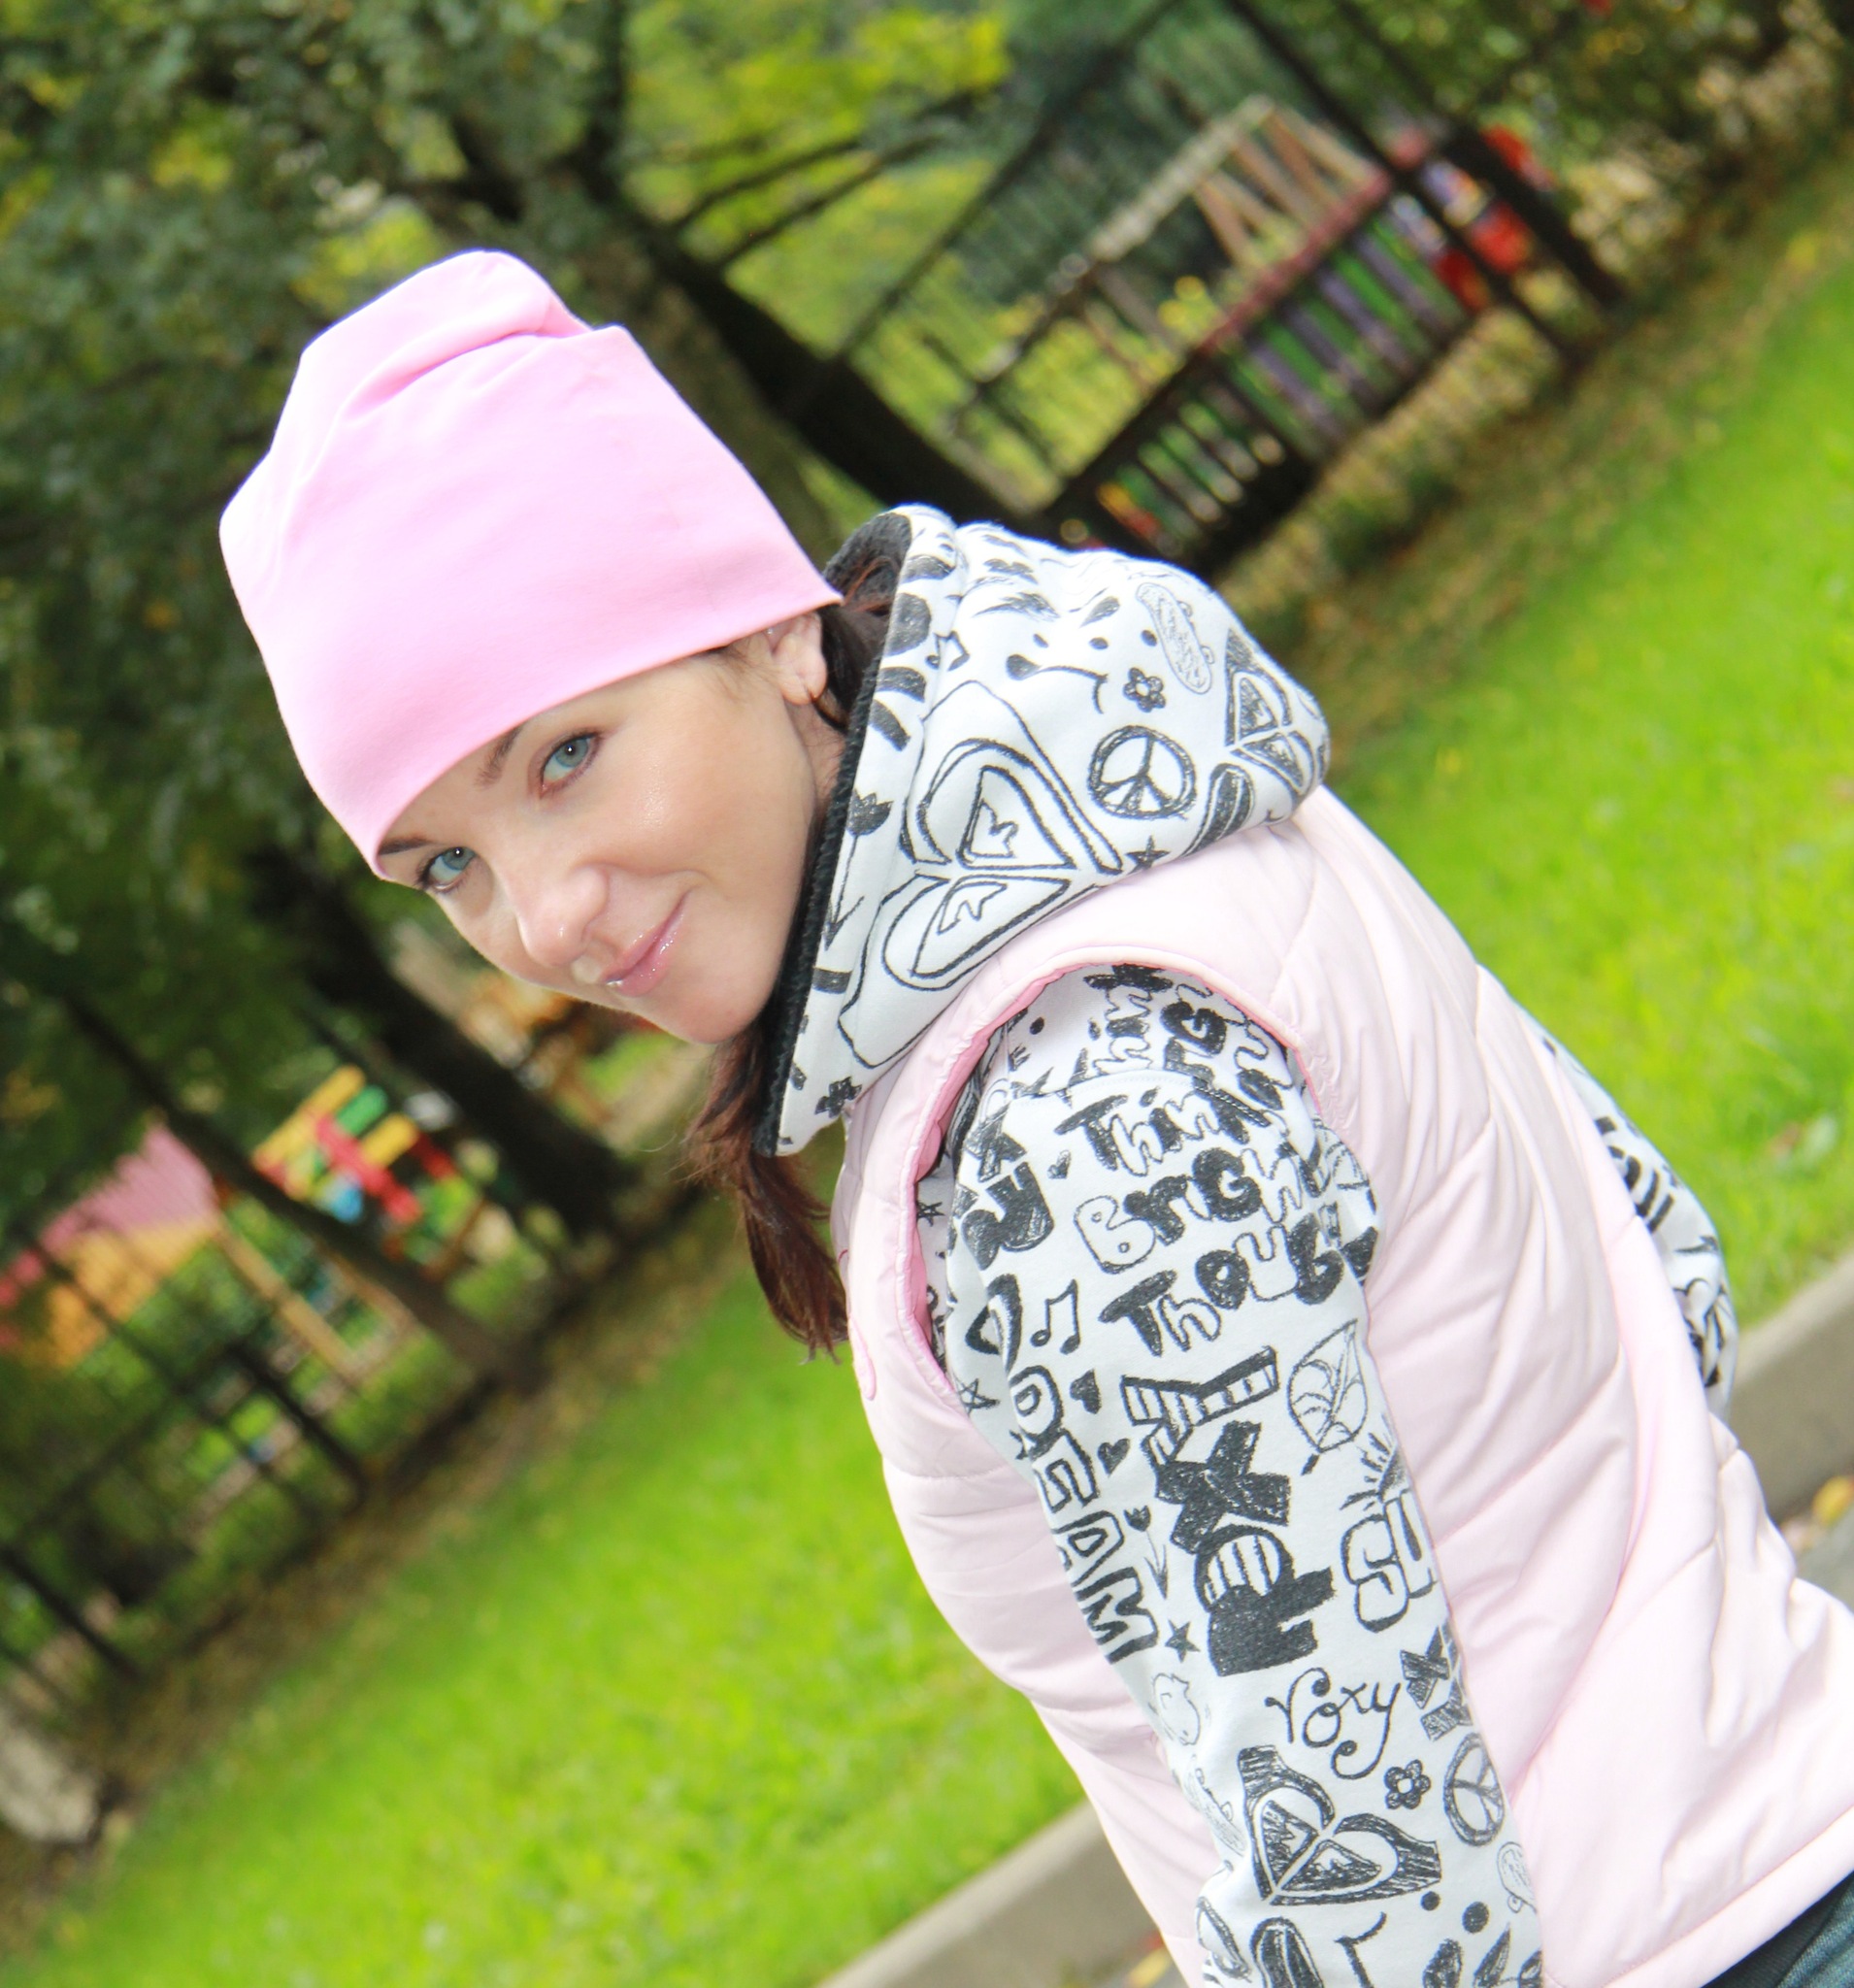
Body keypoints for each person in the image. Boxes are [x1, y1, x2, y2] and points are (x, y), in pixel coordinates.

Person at [218, 249, 1854, 1988]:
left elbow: (1358, 1827)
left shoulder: (1060, 1103)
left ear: (769, 629)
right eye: (445, 866)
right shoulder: (1141, 800)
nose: (543, 921)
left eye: (565, 756)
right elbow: (1654, 1254)